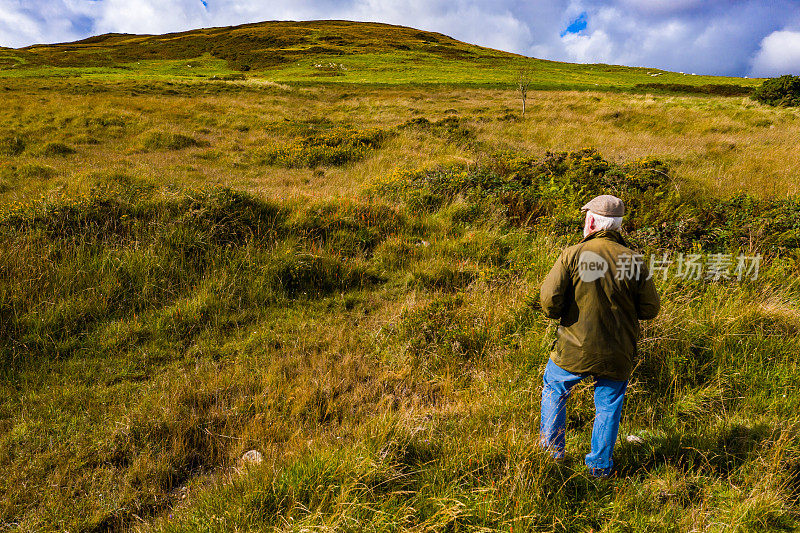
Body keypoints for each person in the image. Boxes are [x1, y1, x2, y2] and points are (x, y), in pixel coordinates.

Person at [538, 194, 660, 477]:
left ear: (591, 221)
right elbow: (650, 309)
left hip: (572, 347)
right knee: (609, 404)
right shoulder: (634, 260)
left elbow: (549, 302)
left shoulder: (571, 255)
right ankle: (599, 468)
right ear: (617, 226)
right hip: (618, 350)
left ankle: (552, 456)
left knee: (555, 390)